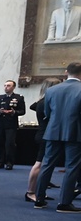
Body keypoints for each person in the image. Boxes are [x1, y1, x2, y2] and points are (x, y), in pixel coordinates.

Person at [34, 62, 81, 212]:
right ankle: (64, 203)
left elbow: (47, 112)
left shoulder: (52, 90)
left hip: (53, 131)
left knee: (47, 165)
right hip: (75, 132)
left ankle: (39, 199)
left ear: (67, 72)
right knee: (71, 168)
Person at [25, 77, 63, 202]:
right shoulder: (46, 103)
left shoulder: (42, 101)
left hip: (44, 134)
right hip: (45, 135)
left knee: (43, 164)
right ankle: (30, 192)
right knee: (39, 164)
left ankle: (38, 191)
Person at [0, 79, 25, 169]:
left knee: (10, 144)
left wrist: (14, 112)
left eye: (8, 85)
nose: (6, 87)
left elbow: (22, 111)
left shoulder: (19, 98)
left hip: (11, 124)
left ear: (13, 87)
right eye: (5, 85)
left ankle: (9, 163)